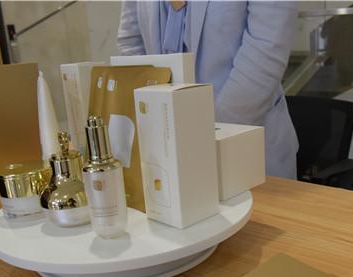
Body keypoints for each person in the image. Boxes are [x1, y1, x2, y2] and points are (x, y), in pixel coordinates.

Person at [117, 1, 299, 179]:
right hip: (166, 149)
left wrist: (207, 140)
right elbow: (131, 41)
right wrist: (158, 122)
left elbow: (266, 49)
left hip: (244, 141)